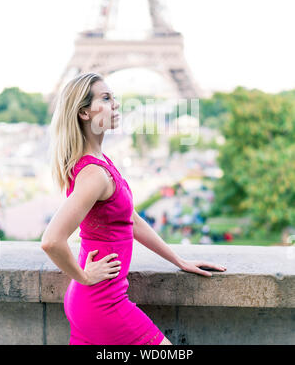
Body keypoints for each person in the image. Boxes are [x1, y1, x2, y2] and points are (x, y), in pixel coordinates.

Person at [41, 72, 226, 345]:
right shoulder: (94, 174)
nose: (115, 104)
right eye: (105, 98)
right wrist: (83, 276)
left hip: (92, 301)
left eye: (113, 97)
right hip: (102, 304)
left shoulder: (99, 161)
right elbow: (51, 241)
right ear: (83, 113)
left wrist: (178, 260)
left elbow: (132, 221)